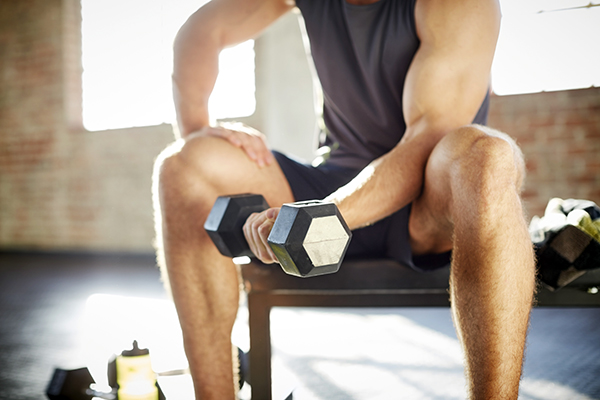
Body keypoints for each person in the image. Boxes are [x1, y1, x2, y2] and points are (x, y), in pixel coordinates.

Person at [152, 0, 536, 398]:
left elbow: (428, 136)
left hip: (426, 201)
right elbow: (201, 30)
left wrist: (328, 214)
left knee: (487, 159)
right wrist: (198, 129)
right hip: (332, 184)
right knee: (182, 167)